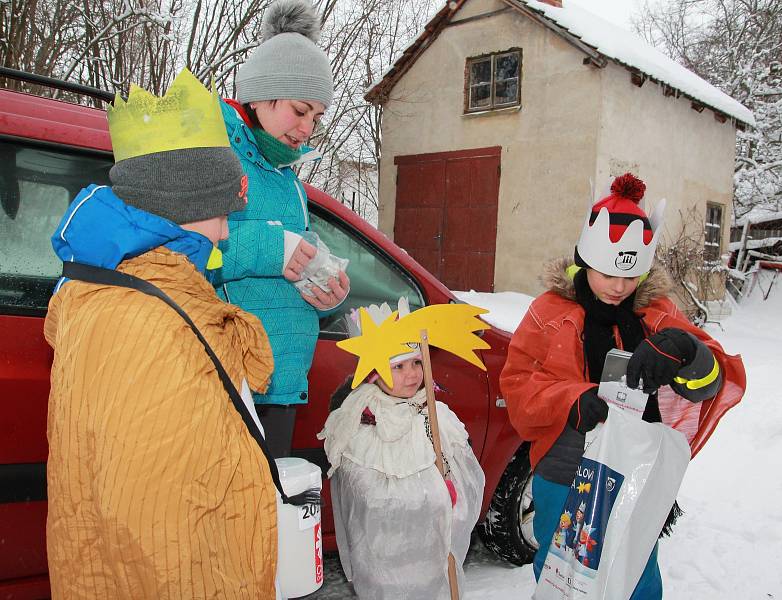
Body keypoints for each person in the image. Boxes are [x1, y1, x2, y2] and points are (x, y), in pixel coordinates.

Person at [45, 69, 278, 598]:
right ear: (183, 210)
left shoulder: (111, 292)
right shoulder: (153, 322)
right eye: (220, 212)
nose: (224, 230)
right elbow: (163, 534)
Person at [500, 173, 746, 599]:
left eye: (629, 277)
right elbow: (518, 387)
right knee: (564, 577)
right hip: (564, 470)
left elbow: (713, 385)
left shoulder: (658, 313)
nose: (618, 287)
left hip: (638, 472)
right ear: (584, 261)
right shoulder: (548, 313)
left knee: (636, 574)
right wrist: (571, 399)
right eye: (607, 273)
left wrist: (689, 351)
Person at [214, 0, 350, 458]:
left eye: (316, 117)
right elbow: (180, 253)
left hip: (281, 382)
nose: (308, 128)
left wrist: (326, 288)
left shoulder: (288, 178)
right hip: (227, 379)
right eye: (299, 110)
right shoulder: (214, 155)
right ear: (260, 97)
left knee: (268, 520)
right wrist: (275, 248)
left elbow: (296, 254)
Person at [317, 303, 485, 599]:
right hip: (386, 552)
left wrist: (448, 489)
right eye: (399, 366)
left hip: (428, 551)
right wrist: (407, 499)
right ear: (374, 375)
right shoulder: (362, 418)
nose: (412, 374)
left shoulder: (435, 414)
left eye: (417, 363)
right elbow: (362, 496)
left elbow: (467, 477)